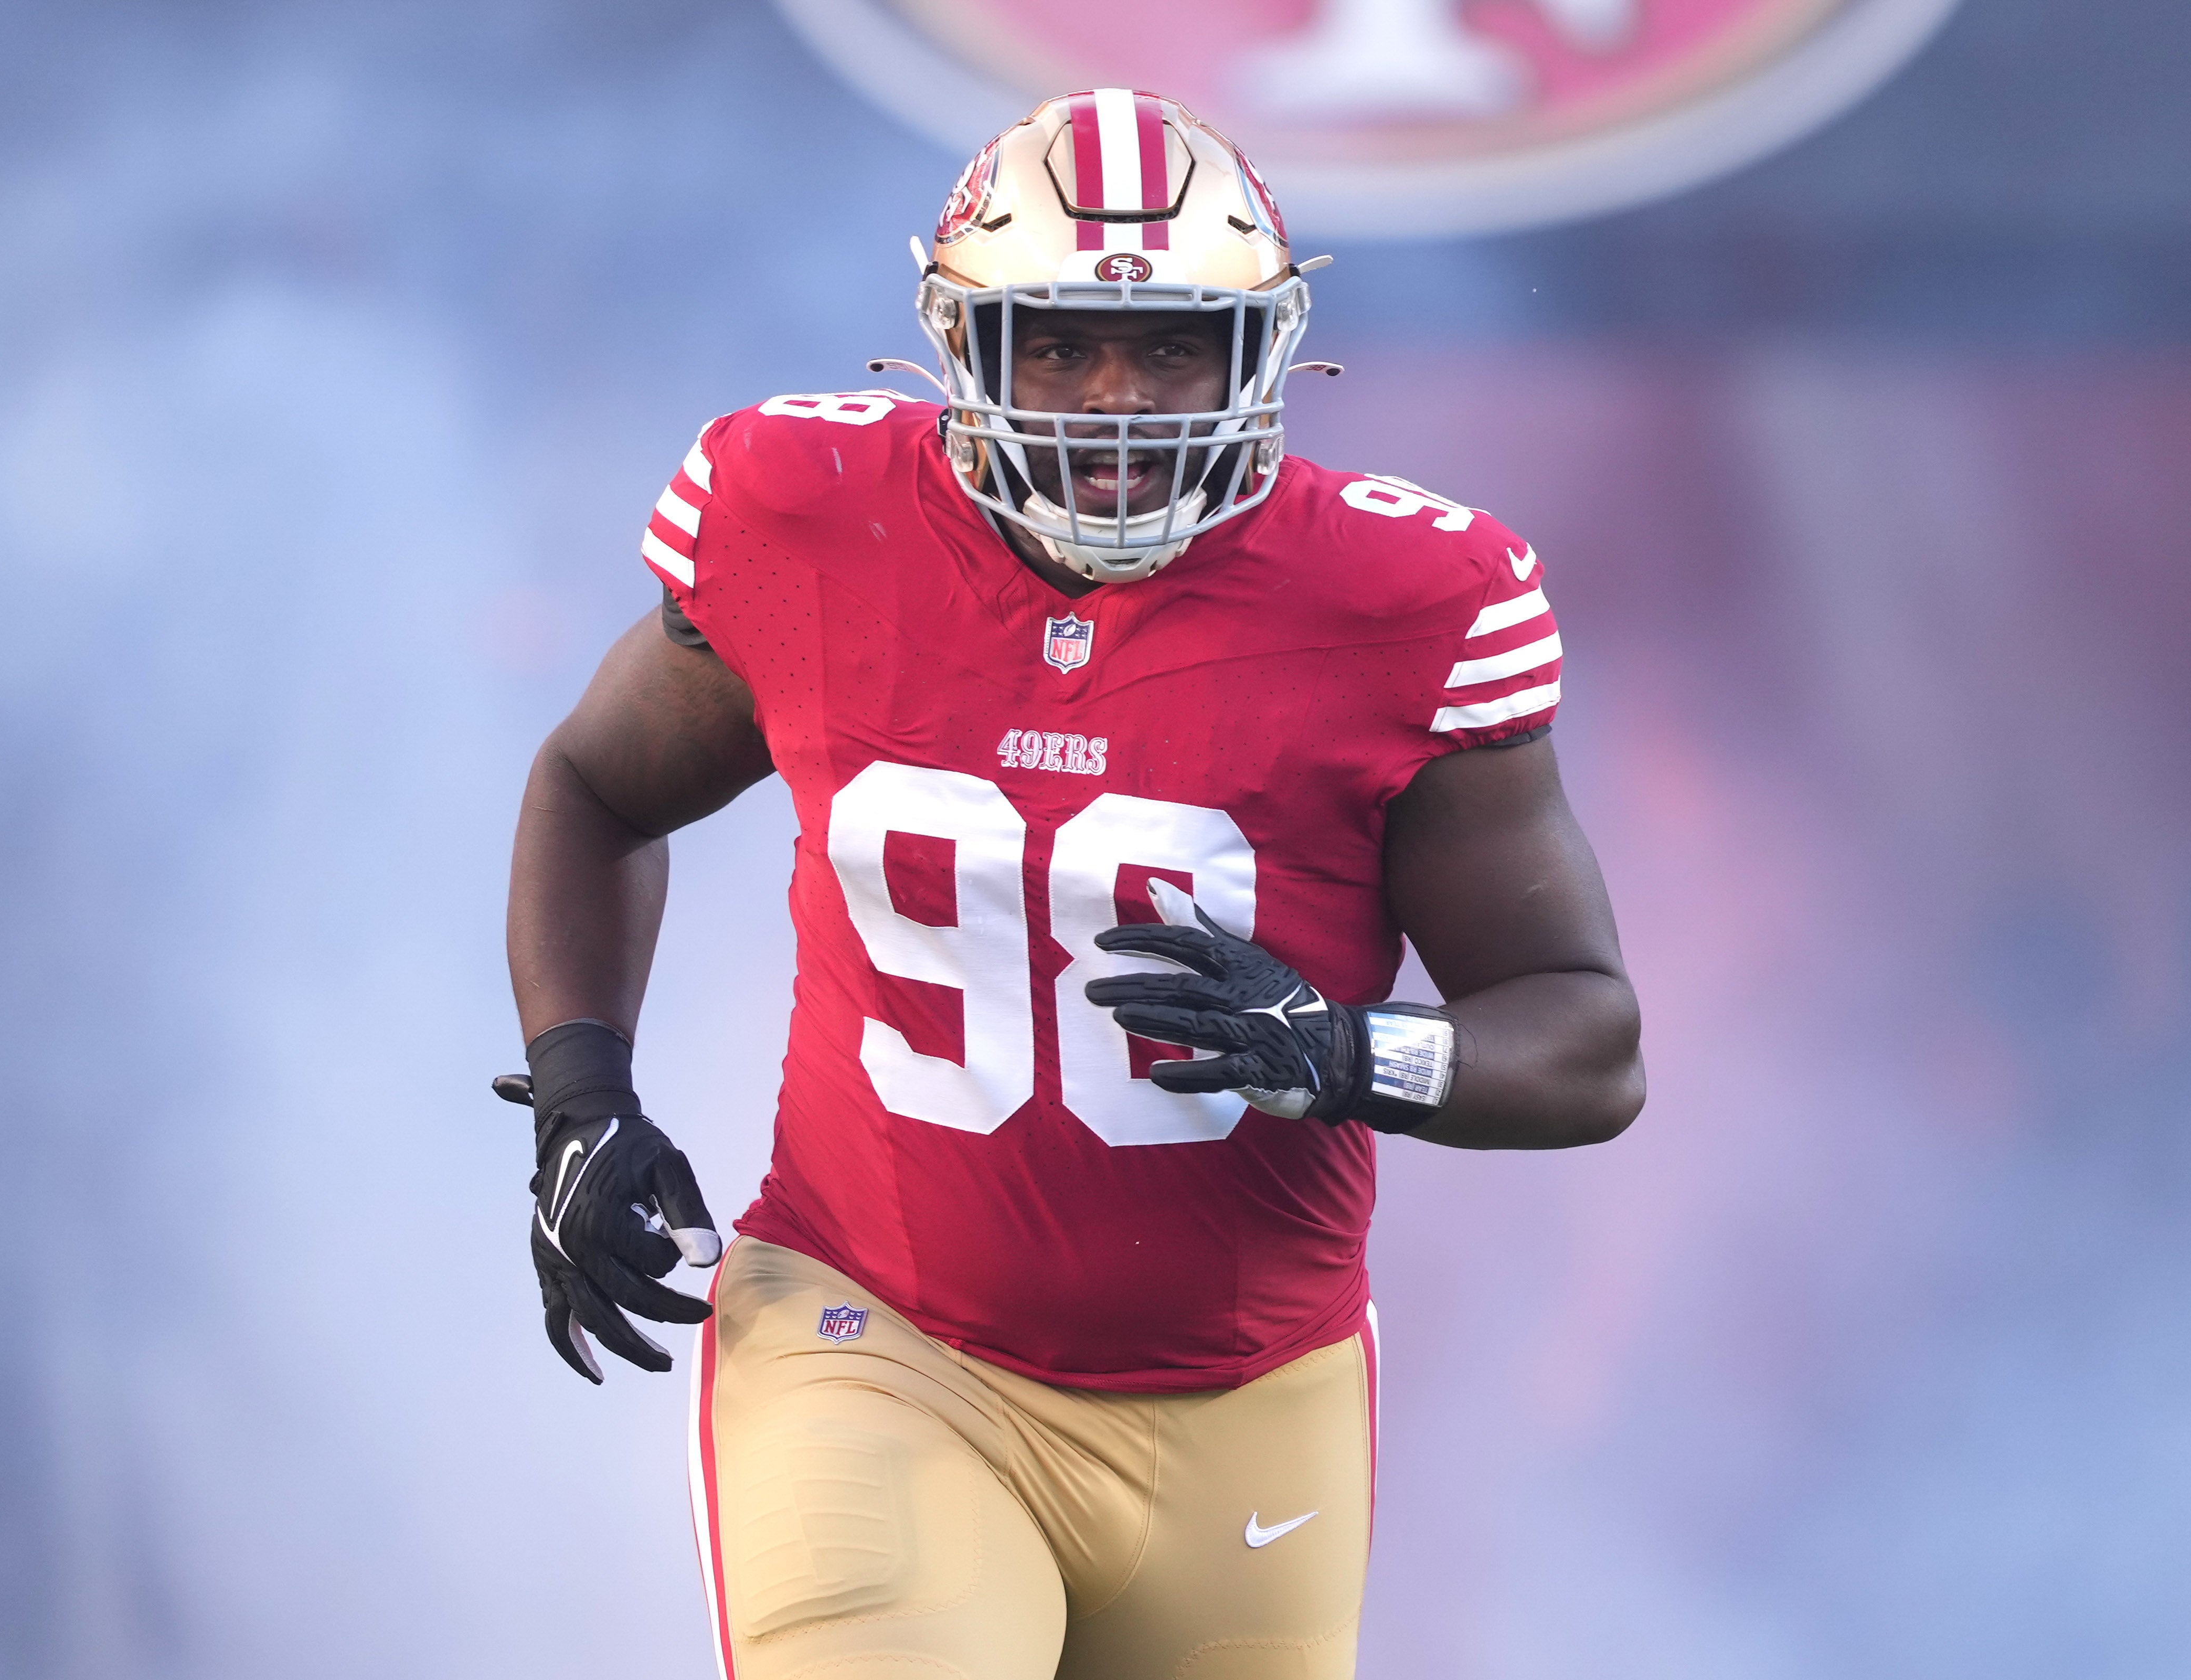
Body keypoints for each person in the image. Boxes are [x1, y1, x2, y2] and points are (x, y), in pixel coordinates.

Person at [502, 88, 1644, 1680]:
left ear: (1260, 353)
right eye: (1057, 343)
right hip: (874, 1335)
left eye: (1172, 346)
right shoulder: (808, 515)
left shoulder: (1407, 602)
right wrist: (581, 1097)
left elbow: (1586, 1040)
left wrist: (1344, 1050)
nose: (1116, 401)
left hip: (1251, 1399)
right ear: (963, 344)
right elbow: (595, 787)